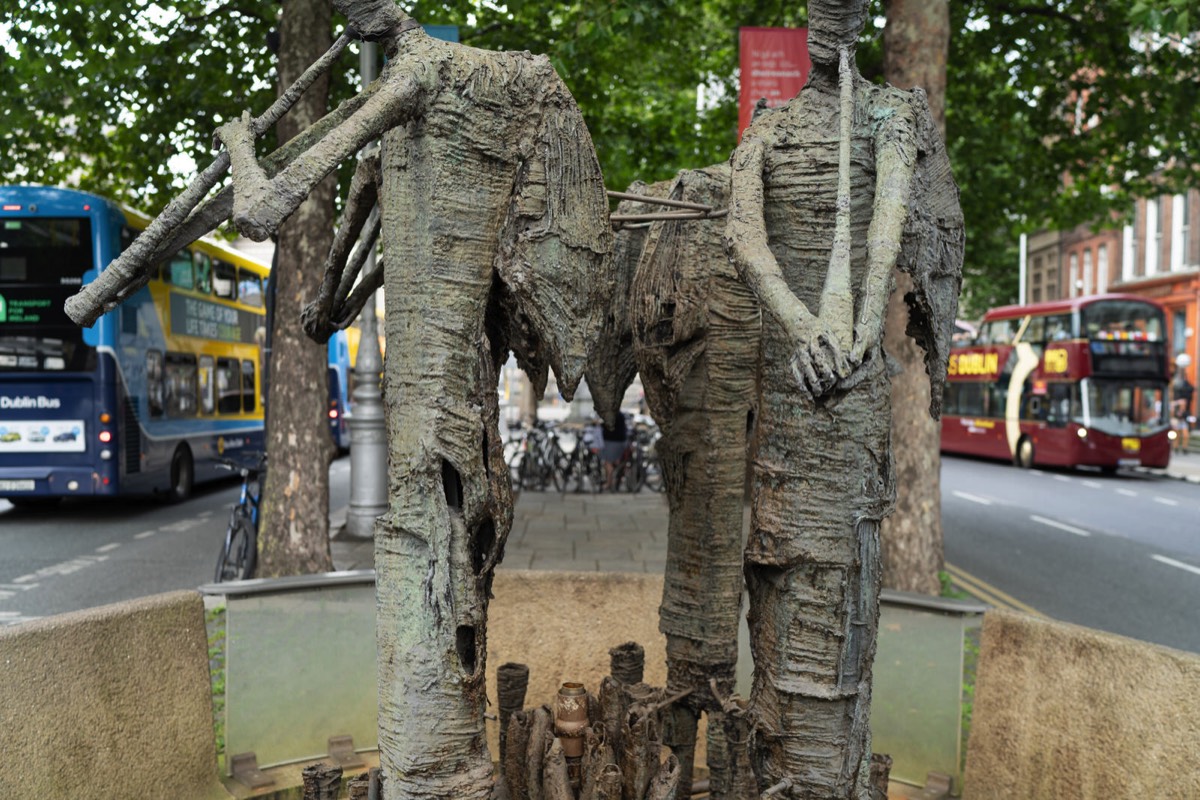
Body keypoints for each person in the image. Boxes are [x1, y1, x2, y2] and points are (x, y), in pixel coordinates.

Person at [601, 410, 628, 490]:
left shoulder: (612, 415)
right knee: (615, 463)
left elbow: (608, 427)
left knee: (608, 463)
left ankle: (609, 483)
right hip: (620, 442)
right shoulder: (620, 415)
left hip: (612, 442)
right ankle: (614, 481)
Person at [1172, 370, 1194, 452]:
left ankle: (1185, 448)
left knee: (1185, 435)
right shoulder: (1176, 405)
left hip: (1183, 421)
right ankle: (1176, 447)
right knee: (1176, 435)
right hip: (1177, 420)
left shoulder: (1185, 409)